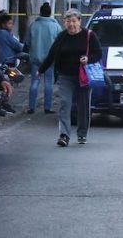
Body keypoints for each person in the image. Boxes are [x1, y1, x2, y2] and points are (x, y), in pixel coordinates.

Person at [39, 8, 102, 147]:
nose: (71, 24)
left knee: (83, 106)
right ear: (64, 23)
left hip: (83, 77)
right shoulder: (62, 36)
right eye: (68, 21)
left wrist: (88, 58)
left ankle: (82, 134)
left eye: (74, 21)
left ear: (79, 21)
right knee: (65, 104)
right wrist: (41, 70)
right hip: (65, 76)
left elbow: (98, 53)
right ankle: (64, 135)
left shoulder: (89, 35)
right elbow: (51, 55)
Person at [24, 2, 62, 114]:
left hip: (35, 58)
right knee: (49, 83)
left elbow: (27, 42)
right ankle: (47, 107)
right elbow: (60, 42)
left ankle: (31, 107)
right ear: (50, 13)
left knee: (34, 82)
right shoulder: (56, 26)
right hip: (50, 60)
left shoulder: (33, 25)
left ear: (40, 12)